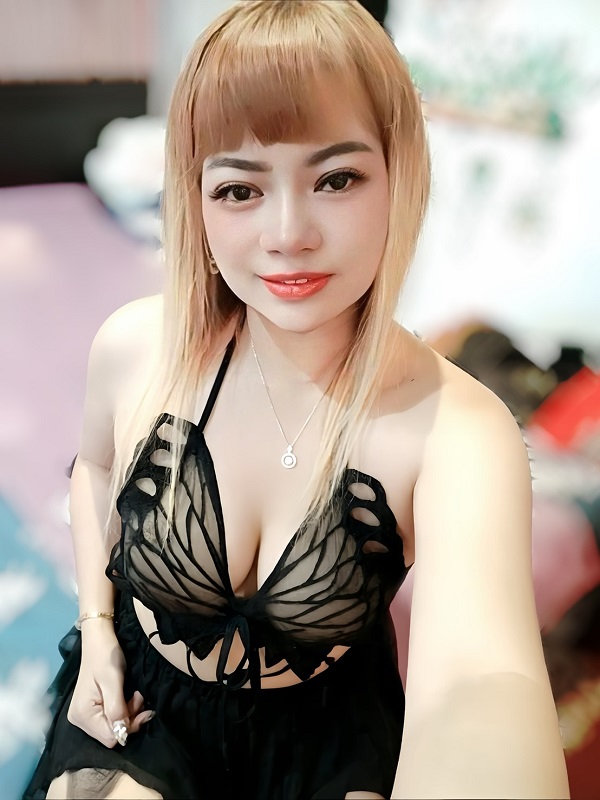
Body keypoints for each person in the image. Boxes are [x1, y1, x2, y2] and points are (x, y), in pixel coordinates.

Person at [24, 1, 569, 798]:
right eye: (239, 189)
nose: (288, 234)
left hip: (327, 746)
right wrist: (98, 626)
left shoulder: (458, 431)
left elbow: (480, 683)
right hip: (143, 710)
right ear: (195, 198)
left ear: (400, 175)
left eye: (336, 179)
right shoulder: (137, 348)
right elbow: (95, 471)